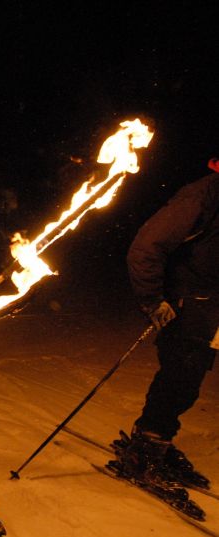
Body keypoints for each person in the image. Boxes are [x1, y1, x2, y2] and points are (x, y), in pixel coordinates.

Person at [112, 158, 219, 489]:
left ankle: (158, 441)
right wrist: (152, 300)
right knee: (178, 377)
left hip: (211, 306)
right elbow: (146, 247)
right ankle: (146, 450)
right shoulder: (201, 195)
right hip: (186, 304)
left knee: (190, 379)